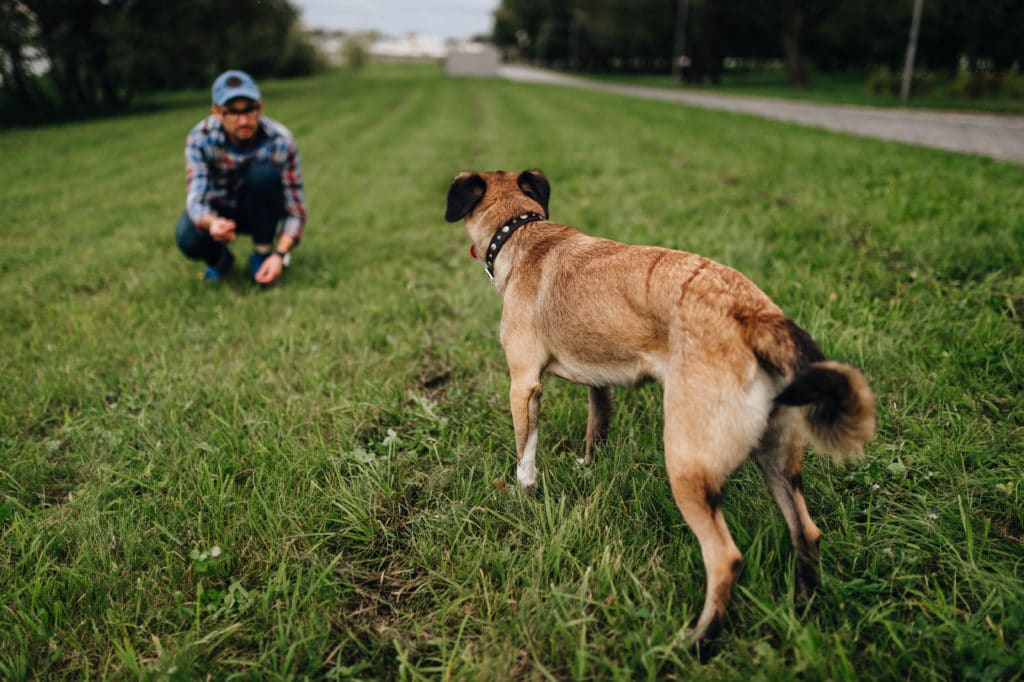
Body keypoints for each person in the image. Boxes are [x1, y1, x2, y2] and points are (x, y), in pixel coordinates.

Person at [176, 70, 307, 286]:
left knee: (264, 175)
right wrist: (212, 223)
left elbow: (296, 212)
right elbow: (196, 201)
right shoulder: (200, 139)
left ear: (260, 106)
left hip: (261, 210)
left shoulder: (281, 140)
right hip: (219, 213)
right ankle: (220, 262)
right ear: (217, 112)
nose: (243, 120)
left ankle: (264, 256)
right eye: (233, 113)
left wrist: (280, 255)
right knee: (187, 236)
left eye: (249, 110)